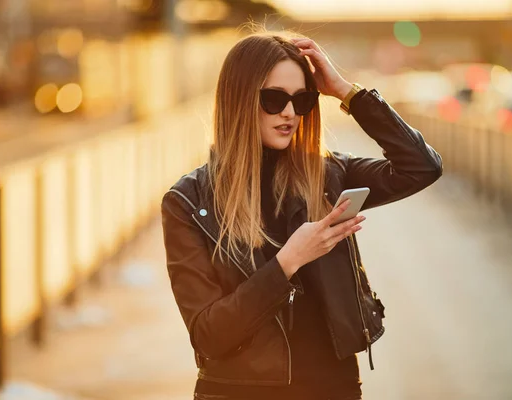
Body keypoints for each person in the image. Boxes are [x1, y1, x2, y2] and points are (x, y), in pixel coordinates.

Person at [161, 32, 442, 400]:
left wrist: (346, 91)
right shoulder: (188, 202)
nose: (290, 113)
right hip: (237, 392)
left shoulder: (326, 175)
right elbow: (209, 335)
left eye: (302, 99)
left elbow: (420, 167)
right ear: (238, 99)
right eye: (274, 99)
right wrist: (288, 262)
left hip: (333, 388)